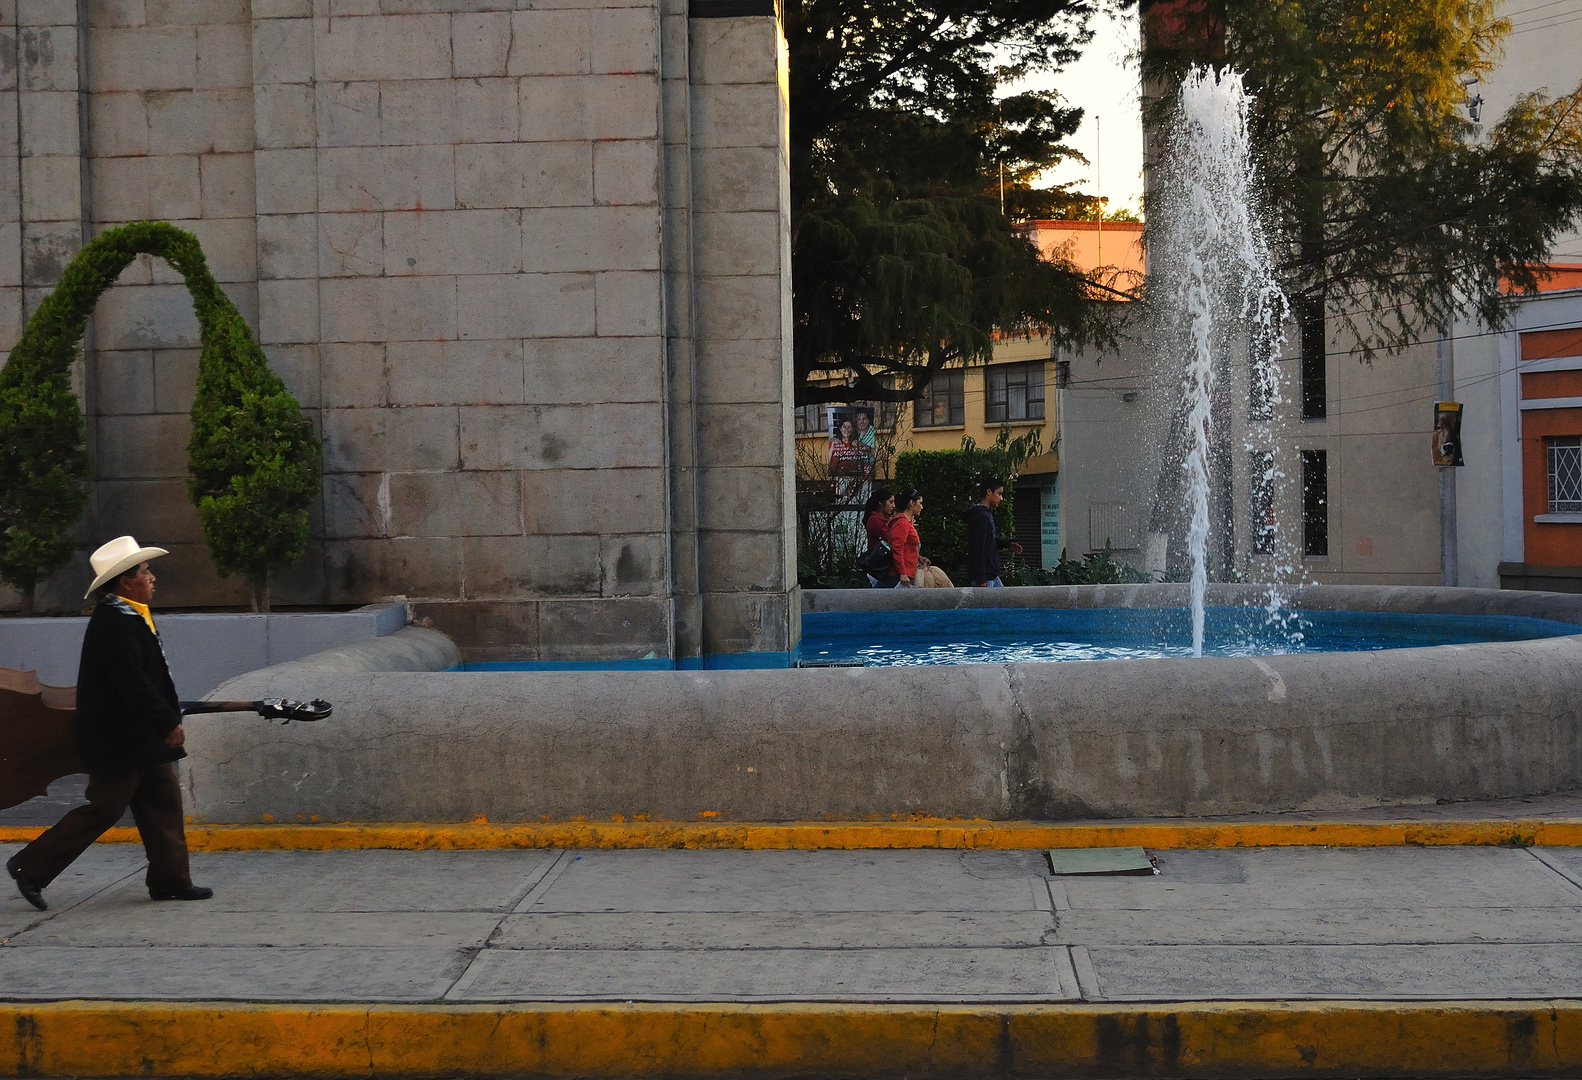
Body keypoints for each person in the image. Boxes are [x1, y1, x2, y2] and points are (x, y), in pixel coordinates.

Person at [6, 536, 212, 910]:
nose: (152, 577)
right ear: (124, 581)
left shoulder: (130, 615)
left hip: (140, 737)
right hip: (119, 740)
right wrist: (167, 722)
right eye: (145, 572)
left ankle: (170, 880)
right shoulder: (113, 623)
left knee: (163, 802)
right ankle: (29, 867)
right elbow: (132, 681)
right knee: (104, 808)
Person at [966, 475, 1023, 588]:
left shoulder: (985, 515)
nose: (1001, 498)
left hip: (992, 576)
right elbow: (978, 547)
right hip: (985, 578)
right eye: (999, 493)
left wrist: (1007, 544)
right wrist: (981, 577)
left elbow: (988, 541)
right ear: (989, 492)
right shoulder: (981, 517)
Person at [885, 488, 933, 588]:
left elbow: (905, 547)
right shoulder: (902, 523)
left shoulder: (905, 522)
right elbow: (897, 548)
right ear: (911, 503)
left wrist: (919, 558)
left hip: (903, 574)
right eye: (919, 503)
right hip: (899, 576)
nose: (922, 507)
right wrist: (902, 573)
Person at [861, 488, 895, 586]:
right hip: (879, 566)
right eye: (890, 502)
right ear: (881, 503)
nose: (893, 506)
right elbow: (889, 538)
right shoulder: (875, 520)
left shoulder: (881, 519)